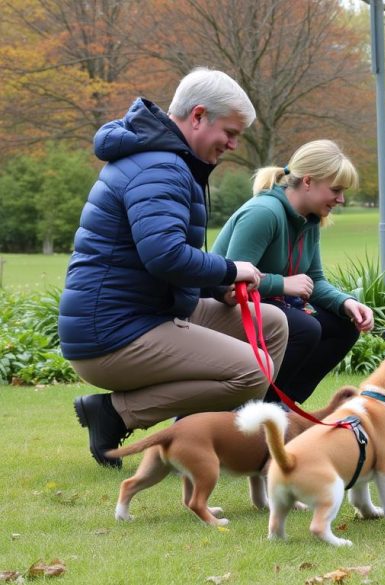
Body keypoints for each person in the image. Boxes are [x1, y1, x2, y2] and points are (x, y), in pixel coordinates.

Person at [60, 68, 289, 469]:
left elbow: (163, 260)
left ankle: (233, 440)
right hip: (111, 333)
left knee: (271, 323)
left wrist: (218, 286)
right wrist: (230, 270)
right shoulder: (159, 167)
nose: (234, 144)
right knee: (255, 369)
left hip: (149, 312)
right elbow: (164, 254)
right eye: (230, 132)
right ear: (197, 116)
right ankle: (115, 414)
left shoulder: (170, 161)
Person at [212, 139, 374, 405]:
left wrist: (347, 303)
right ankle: (256, 408)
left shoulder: (309, 220)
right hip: (223, 309)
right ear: (308, 182)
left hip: (267, 306)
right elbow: (229, 281)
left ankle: (282, 406)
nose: (341, 199)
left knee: (344, 326)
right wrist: (282, 284)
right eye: (336, 189)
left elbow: (314, 282)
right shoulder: (263, 213)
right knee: (305, 328)